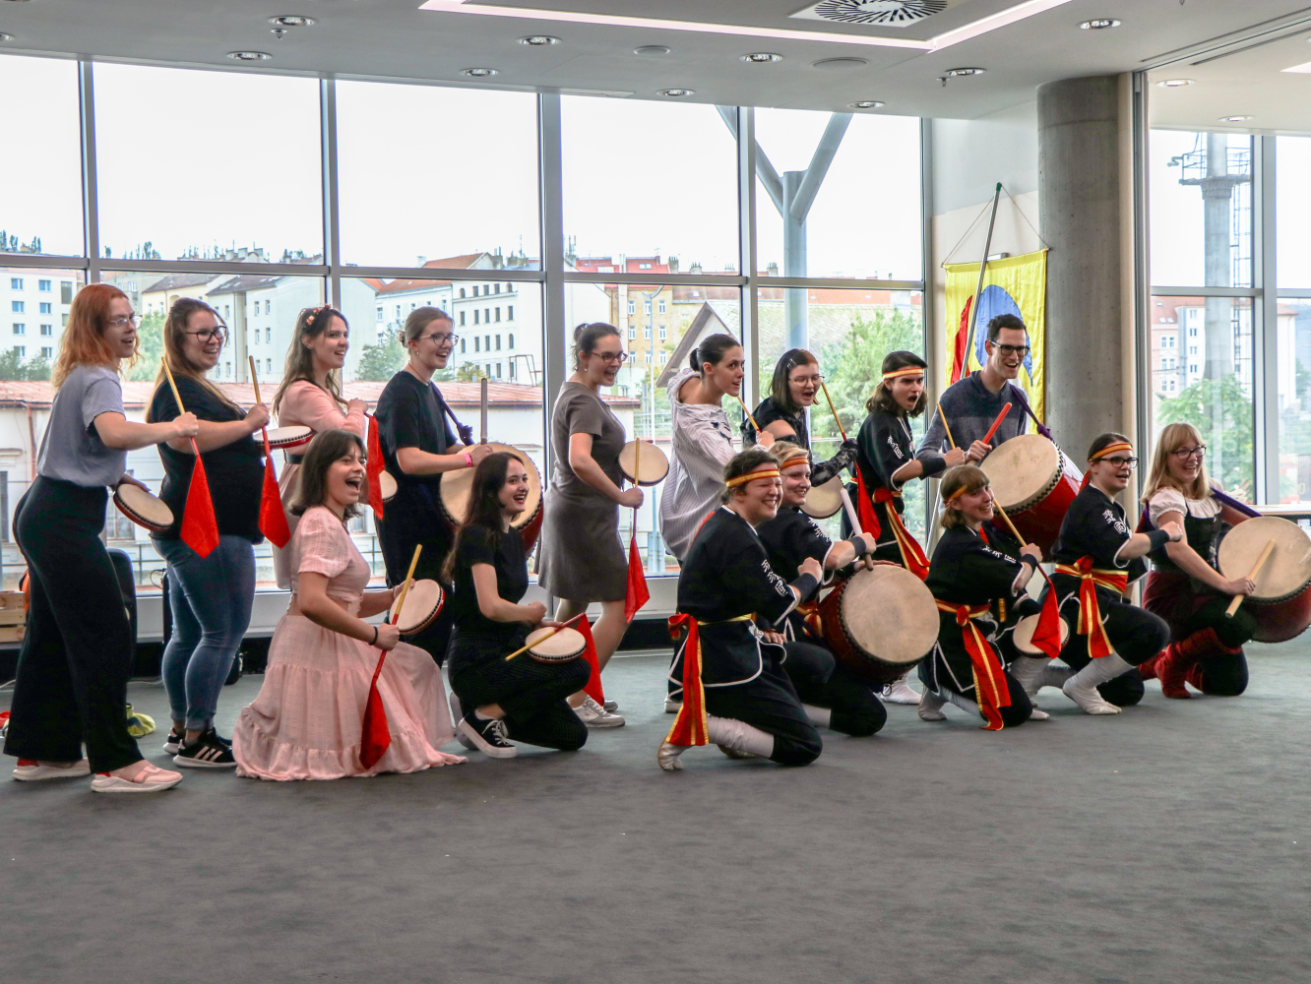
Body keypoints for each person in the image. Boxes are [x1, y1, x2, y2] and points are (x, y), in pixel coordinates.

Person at [3, 284, 198, 792]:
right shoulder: (100, 377)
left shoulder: (81, 374)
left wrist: (117, 476)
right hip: (62, 518)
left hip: (47, 510)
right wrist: (171, 427)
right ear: (95, 328)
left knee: (50, 638)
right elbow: (113, 432)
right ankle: (115, 764)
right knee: (105, 635)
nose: (131, 328)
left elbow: (81, 447)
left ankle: (43, 754)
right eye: (118, 321)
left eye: (132, 318)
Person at [233, 429, 465, 780]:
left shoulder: (328, 520)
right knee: (412, 672)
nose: (358, 468)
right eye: (346, 460)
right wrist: (374, 635)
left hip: (325, 639)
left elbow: (342, 602)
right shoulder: (321, 524)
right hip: (318, 645)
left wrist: (390, 597)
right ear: (320, 470)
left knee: (417, 667)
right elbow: (312, 602)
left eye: (361, 460)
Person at [147, 298, 268, 768]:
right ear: (178, 339)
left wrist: (249, 441)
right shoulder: (176, 390)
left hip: (201, 525)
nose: (215, 338)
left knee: (190, 633)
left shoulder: (189, 385)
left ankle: (182, 729)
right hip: (208, 528)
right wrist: (248, 424)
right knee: (223, 632)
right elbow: (187, 439)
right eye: (203, 332)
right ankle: (198, 737)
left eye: (218, 331)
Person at [658, 449, 826, 771]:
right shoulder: (736, 538)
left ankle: (729, 724)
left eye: (777, 483)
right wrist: (810, 577)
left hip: (730, 646)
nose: (775, 491)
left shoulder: (726, 523)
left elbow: (751, 592)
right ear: (738, 491)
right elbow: (778, 602)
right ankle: (702, 726)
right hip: (723, 659)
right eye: (765, 484)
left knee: (790, 678)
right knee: (806, 745)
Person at [444, 452, 591, 759]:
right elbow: (490, 607)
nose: (523, 486)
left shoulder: (511, 536)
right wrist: (529, 613)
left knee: (572, 735)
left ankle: (478, 713)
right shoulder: (476, 535)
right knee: (576, 670)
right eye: (512, 481)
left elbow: (503, 608)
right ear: (490, 491)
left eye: (524, 479)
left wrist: (535, 624)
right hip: (477, 660)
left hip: (509, 646)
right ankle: (483, 716)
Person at [374, 307, 493, 667]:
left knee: (437, 614)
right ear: (412, 343)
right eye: (437, 337)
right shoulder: (402, 393)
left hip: (429, 517)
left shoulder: (428, 389)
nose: (446, 344)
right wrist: (468, 461)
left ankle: (413, 695)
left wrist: (486, 456)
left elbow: (447, 447)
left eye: (449, 337)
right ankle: (393, 694)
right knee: (419, 615)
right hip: (407, 521)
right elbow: (409, 459)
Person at [854, 350, 968, 703]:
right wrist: (944, 460)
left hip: (888, 515)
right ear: (887, 384)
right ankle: (890, 679)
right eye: (907, 381)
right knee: (897, 597)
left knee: (900, 594)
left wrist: (954, 463)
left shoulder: (897, 419)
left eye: (919, 381)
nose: (915, 388)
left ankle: (892, 677)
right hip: (875, 519)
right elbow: (896, 473)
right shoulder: (881, 422)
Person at [754, 442, 887, 738]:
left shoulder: (780, 517)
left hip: (778, 623)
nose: (805, 483)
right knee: (869, 716)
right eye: (795, 476)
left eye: (807, 475)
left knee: (854, 689)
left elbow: (813, 566)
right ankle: (788, 708)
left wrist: (848, 567)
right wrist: (860, 543)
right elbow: (834, 557)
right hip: (784, 629)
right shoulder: (786, 520)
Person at [535, 323, 632, 728]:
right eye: (606, 356)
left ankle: (553, 691)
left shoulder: (575, 391)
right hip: (584, 515)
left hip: (572, 510)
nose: (614, 363)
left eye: (619, 355)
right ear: (584, 356)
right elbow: (579, 459)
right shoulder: (584, 400)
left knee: (573, 605)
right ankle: (578, 695)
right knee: (620, 607)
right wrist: (620, 495)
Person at [1045, 434, 1180, 714]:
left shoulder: (1111, 508)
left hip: (1095, 606)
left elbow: (1129, 574)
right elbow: (1127, 548)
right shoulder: (1091, 504)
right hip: (1074, 608)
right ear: (1093, 465)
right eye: (1116, 460)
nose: (1126, 466)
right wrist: (1166, 533)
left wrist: (1123, 622)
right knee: (1156, 630)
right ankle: (1080, 685)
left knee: (1126, 690)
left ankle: (1047, 676)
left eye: (1130, 461)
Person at [1138, 423, 1256, 698]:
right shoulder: (1166, 497)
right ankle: (1174, 661)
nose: (1193, 457)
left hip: (1205, 593)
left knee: (1229, 686)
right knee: (1240, 623)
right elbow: (1178, 550)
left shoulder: (1212, 490)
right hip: (1173, 597)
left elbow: (1249, 528)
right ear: (1165, 457)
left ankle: (1161, 662)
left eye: (1197, 449)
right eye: (1182, 451)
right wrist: (1226, 585)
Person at [918, 465, 1040, 729]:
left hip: (979, 629)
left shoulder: (971, 536)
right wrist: (1031, 558)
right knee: (1014, 713)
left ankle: (1013, 688)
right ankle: (940, 686)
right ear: (954, 503)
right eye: (975, 493)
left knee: (1042, 626)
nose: (987, 497)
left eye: (987, 488)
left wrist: (1030, 606)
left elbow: (998, 578)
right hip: (953, 643)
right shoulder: (963, 544)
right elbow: (1018, 578)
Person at [270, 305, 367, 589]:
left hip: (311, 485)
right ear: (308, 340)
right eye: (333, 335)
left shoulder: (320, 389)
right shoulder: (304, 391)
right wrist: (357, 410)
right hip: (306, 487)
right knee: (314, 583)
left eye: (345, 335)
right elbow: (348, 436)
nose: (343, 342)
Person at [662, 333, 773, 563]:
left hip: (682, 511)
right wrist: (764, 447)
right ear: (708, 368)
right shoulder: (700, 432)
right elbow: (738, 472)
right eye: (732, 366)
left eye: (741, 364)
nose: (741, 373)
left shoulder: (684, 385)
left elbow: (683, 374)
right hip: (698, 527)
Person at [915, 314, 1039, 472]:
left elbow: (1015, 464)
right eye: (1007, 348)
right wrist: (963, 457)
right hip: (963, 488)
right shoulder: (954, 397)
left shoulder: (1019, 399)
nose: (1015, 357)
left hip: (1003, 489)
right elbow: (923, 458)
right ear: (988, 347)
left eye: (1021, 349)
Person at [744, 348, 857, 486]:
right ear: (783, 382)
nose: (810, 385)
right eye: (801, 379)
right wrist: (846, 455)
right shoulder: (778, 425)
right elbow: (809, 476)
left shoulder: (794, 407)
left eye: (815, 378)